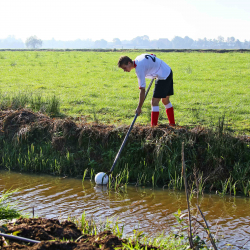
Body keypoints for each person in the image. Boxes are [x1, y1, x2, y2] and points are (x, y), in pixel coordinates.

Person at [117, 54, 175, 127]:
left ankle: (153, 127)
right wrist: (153, 67)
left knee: (154, 102)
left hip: (163, 76)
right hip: (168, 71)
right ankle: (172, 124)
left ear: (129, 63)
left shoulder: (139, 69)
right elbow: (152, 55)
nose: (124, 70)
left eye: (124, 68)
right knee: (165, 100)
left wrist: (139, 107)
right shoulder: (138, 58)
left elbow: (142, 90)